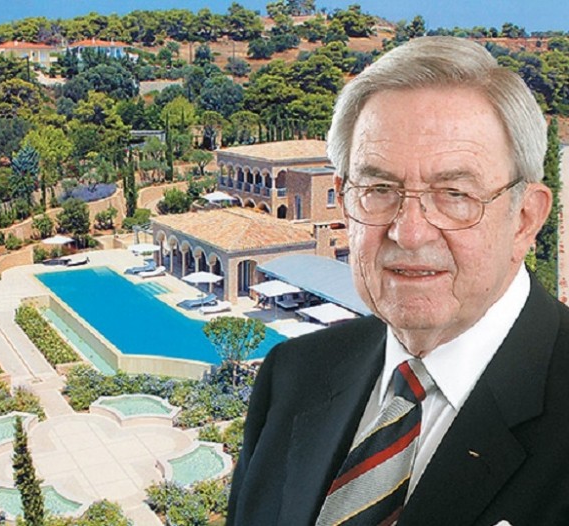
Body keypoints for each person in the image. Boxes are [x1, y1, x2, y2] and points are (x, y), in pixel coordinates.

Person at [226, 36, 569, 526]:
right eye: (379, 189)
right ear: (345, 203)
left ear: (525, 219)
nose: (409, 233)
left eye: (454, 194)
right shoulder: (292, 375)